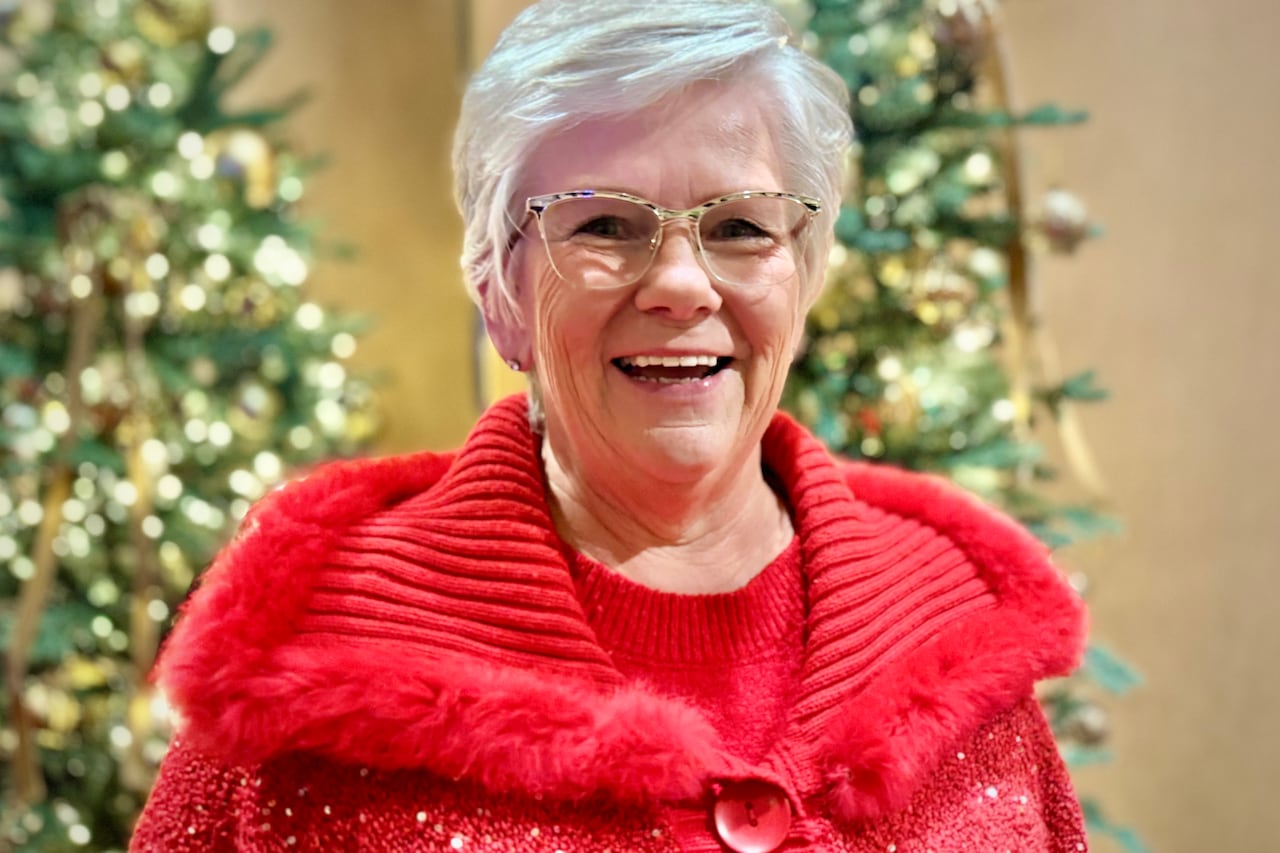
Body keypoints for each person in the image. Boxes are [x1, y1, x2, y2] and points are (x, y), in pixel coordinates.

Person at [132, 0, 1088, 850]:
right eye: (603, 225)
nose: (679, 283)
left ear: (805, 278)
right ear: (499, 296)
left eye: (741, 226)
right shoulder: (307, 667)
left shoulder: (953, 633)